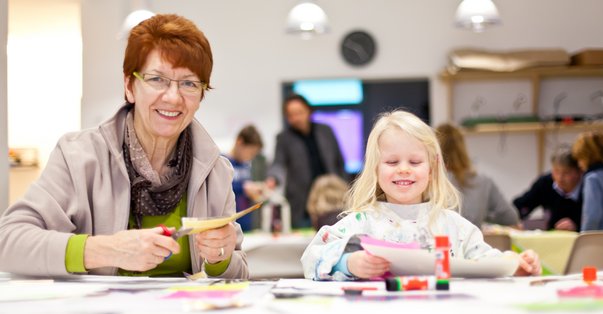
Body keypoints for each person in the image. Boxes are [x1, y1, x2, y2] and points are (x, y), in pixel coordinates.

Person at [0, 14, 248, 278]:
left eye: (189, 83)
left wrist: (220, 258)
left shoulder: (215, 170)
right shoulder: (78, 156)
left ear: (200, 95)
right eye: (157, 79)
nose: (174, 97)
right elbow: (8, 242)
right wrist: (106, 250)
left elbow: (239, 273)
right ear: (129, 86)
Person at [301, 111, 540, 280]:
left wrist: (514, 264)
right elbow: (312, 258)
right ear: (375, 168)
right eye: (392, 161)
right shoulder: (360, 222)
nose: (403, 169)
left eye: (414, 161)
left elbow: (486, 261)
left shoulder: (454, 225)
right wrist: (349, 263)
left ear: (432, 168)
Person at [267, 94, 347, 228]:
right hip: (302, 203)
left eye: (299, 112)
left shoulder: (325, 131)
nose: (296, 118)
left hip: (332, 197)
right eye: (291, 115)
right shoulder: (284, 138)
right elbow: (278, 163)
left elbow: (339, 161)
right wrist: (273, 178)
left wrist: (345, 188)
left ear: (308, 111)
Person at [435, 123, 520, 229]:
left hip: (438, 244)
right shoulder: (483, 181)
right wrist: (483, 213)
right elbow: (511, 217)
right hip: (472, 244)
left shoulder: (431, 182)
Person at [513, 145, 583, 231]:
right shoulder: (545, 182)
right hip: (552, 238)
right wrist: (513, 220)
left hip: (584, 239)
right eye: (556, 171)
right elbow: (523, 205)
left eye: (566, 173)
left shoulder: (588, 186)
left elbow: (597, 220)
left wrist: (577, 226)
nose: (560, 178)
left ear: (579, 171)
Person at [571, 131, 603, 231]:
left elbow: (592, 216)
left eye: (580, 158)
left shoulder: (592, 178)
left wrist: (584, 238)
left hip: (597, 241)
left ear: (588, 156)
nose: (579, 164)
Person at [225, 125, 264, 232]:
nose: (251, 157)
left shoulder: (245, 166)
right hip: (229, 223)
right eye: (250, 153)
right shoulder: (223, 163)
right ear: (240, 142)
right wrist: (243, 188)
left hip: (246, 223)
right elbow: (220, 188)